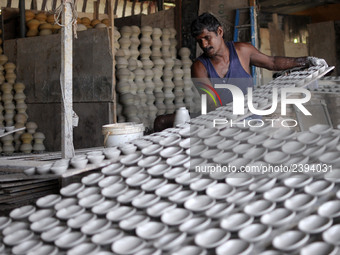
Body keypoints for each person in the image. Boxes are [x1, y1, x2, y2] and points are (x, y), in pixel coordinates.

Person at [191, 12, 328, 109]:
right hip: (224, 124)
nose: (204, 45)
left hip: (253, 119)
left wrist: (306, 61)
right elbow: (211, 102)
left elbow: (272, 62)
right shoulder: (199, 67)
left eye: (207, 38)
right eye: (199, 41)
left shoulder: (243, 51)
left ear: (219, 32)